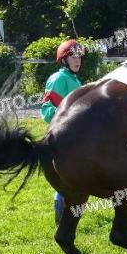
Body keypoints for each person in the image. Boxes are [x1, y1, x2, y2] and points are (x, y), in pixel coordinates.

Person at [41, 39, 86, 226]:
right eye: (73, 57)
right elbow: (47, 111)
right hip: (64, 138)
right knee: (67, 179)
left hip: (77, 137)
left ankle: (72, 213)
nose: (77, 60)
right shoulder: (59, 79)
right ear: (64, 60)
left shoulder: (74, 79)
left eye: (79, 57)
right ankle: (61, 217)